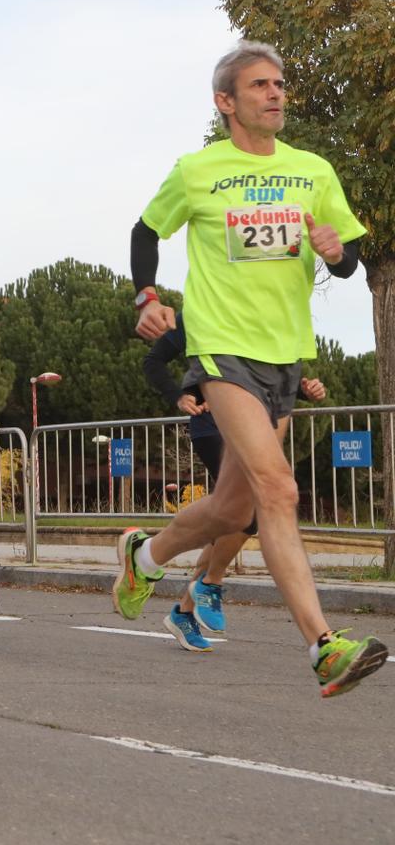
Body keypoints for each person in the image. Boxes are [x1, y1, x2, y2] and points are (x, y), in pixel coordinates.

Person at [121, 40, 386, 696]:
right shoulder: (198, 170)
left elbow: (348, 258)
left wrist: (335, 250)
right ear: (226, 101)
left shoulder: (313, 171)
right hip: (221, 349)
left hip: (285, 355)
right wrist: (146, 296)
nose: (276, 94)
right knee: (278, 490)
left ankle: (145, 556)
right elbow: (145, 231)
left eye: (280, 83)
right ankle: (323, 646)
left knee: (230, 509)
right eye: (261, 85)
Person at [144, 311, 329, 651]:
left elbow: (261, 380)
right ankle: (207, 584)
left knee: (234, 515)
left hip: (252, 425)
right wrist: (178, 396)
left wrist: (303, 390)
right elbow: (153, 361)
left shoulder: (266, 313)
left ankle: (186, 609)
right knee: (248, 512)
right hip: (210, 424)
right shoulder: (203, 311)